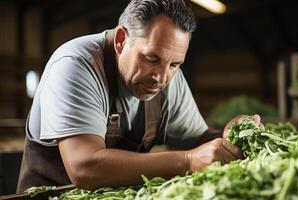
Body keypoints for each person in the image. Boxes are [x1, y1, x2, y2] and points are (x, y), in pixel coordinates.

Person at [17, 0, 262, 192]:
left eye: (175, 64)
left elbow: (199, 143)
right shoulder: (76, 64)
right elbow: (84, 167)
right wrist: (186, 161)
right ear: (122, 40)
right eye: (151, 59)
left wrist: (230, 134)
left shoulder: (167, 76)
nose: (162, 78)